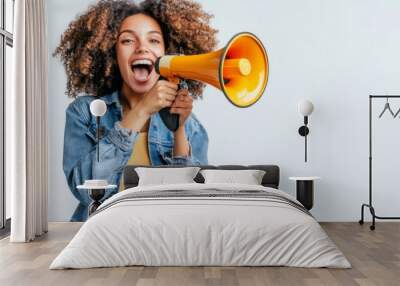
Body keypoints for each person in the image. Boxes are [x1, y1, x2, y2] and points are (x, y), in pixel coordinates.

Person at [54, 0, 218, 221]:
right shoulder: (84, 112)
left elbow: (190, 198)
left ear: (167, 54)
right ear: (111, 52)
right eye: (128, 40)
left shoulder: (190, 123)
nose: (142, 47)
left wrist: (179, 131)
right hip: (101, 230)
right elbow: (85, 190)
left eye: (154, 40)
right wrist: (141, 110)